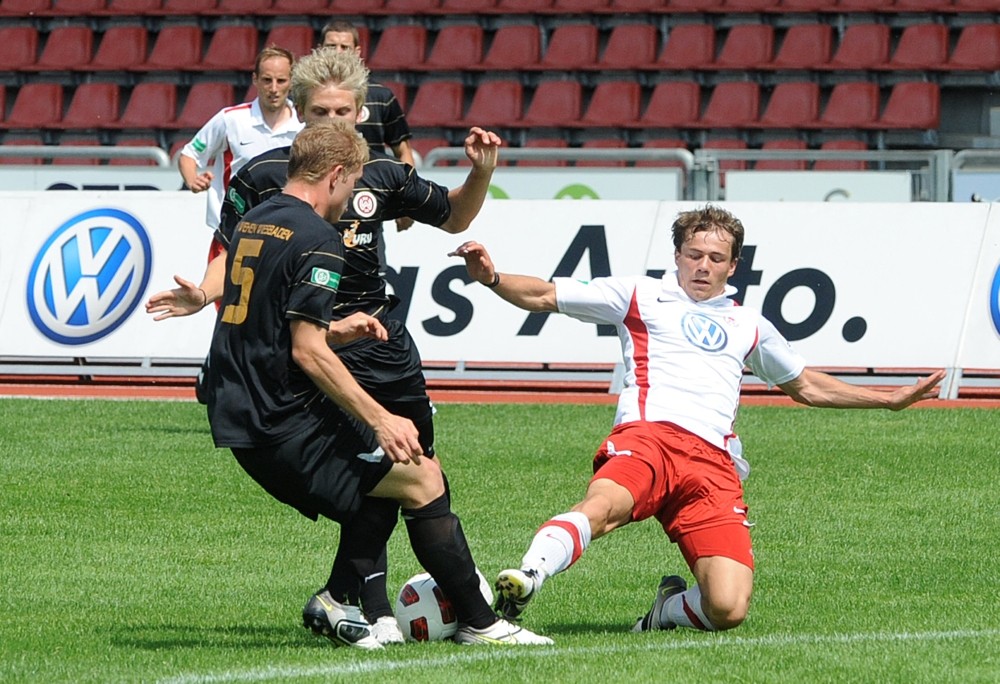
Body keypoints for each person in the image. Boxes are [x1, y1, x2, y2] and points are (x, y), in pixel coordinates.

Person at [146, 48, 504, 646]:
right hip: (313, 344)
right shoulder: (264, 175)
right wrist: (205, 296)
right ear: (299, 110)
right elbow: (231, 251)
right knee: (385, 473)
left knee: (399, 477)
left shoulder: (381, 173)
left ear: (361, 112)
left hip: (381, 342)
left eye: (343, 111)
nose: (332, 122)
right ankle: (384, 608)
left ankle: (346, 599)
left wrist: (482, 172)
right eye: (319, 111)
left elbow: (456, 216)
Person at [449, 205, 945, 635]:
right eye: (694, 255)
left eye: (715, 258)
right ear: (678, 256)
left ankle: (667, 610)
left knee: (728, 607)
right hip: (649, 440)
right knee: (603, 506)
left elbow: (807, 386)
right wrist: (492, 278)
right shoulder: (639, 295)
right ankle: (529, 576)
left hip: (713, 465)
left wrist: (889, 399)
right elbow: (544, 295)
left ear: (734, 265)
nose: (703, 266)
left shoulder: (750, 323)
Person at [191, 120, 551, 650]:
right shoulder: (320, 236)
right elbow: (305, 352)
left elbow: (273, 324)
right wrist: (381, 418)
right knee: (421, 478)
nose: (352, 198)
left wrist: (337, 328)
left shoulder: (259, 217)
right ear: (335, 175)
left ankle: (340, 599)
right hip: (275, 415)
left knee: (386, 487)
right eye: (351, 182)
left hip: (241, 403)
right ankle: (480, 622)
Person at [178, 46, 304, 244]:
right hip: (231, 231)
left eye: (281, 81)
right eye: (266, 80)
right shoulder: (231, 120)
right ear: (255, 79)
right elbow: (190, 154)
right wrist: (192, 179)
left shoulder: (303, 125)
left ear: (291, 81)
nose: (273, 88)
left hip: (286, 233)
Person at [320, 17, 418, 263]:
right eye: (332, 47)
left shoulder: (381, 96)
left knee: (369, 283)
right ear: (321, 50)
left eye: (345, 47)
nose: (339, 53)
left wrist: (409, 200)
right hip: (316, 203)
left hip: (366, 203)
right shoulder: (307, 95)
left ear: (357, 52)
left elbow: (403, 150)